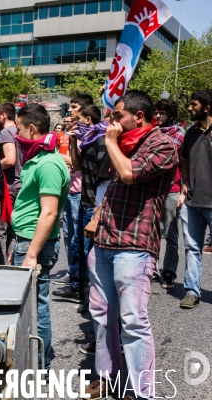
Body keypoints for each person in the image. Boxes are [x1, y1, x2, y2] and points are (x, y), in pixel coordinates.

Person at [81, 91, 178, 398]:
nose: (112, 122)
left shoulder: (162, 144)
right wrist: (96, 218)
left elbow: (129, 174)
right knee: (101, 314)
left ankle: (142, 391)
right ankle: (108, 376)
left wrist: (109, 141)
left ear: (138, 116)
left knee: (133, 322)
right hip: (105, 241)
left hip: (134, 246)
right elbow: (112, 188)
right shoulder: (123, 144)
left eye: (117, 116)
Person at [11, 103, 69, 372]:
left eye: (19, 130)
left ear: (31, 129)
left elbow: (49, 213)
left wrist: (31, 253)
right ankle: (32, 359)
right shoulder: (42, 159)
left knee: (36, 305)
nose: (17, 136)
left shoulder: (48, 163)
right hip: (26, 240)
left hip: (35, 245)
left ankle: (36, 365)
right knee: (30, 303)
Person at [54, 99, 109, 301]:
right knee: (77, 245)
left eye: (78, 120)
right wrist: (73, 141)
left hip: (92, 202)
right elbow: (77, 167)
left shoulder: (101, 140)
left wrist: (97, 208)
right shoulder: (86, 141)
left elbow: (103, 178)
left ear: (88, 119)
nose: (74, 124)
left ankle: (91, 294)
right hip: (84, 199)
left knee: (88, 249)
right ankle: (78, 287)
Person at [177, 89, 212, 309]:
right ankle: (192, 291)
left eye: (194, 104)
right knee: (192, 248)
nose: (190, 108)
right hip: (192, 202)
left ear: (207, 108)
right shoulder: (190, 133)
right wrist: (184, 185)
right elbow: (184, 160)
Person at [153, 99, 185, 290]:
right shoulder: (153, 133)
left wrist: (183, 189)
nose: (157, 116)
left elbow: (184, 163)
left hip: (172, 190)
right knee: (152, 232)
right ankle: (153, 270)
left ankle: (169, 271)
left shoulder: (180, 135)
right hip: (153, 190)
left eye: (162, 113)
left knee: (171, 234)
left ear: (171, 116)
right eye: (156, 112)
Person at [0, 102, 22, 265]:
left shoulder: (6, 133)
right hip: (18, 187)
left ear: (4, 116)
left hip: (8, 189)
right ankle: (11, 266)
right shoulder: (19, 131)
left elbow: (9, 160)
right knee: (12, 232)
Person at [55, 115, 83, 286]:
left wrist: (64, 158)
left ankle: (78, 277)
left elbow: (76, 163)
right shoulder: (64, 137)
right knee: (67, 234)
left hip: (79, 191)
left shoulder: (84, 139)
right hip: (67, 188)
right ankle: (72, 273)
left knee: (77, 237)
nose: (67, 123)